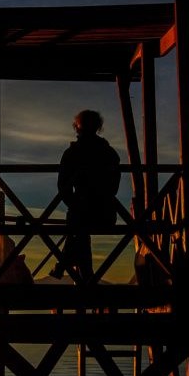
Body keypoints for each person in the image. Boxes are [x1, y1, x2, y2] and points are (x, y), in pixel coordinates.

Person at [50, 109, 121, 282]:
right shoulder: (109, 153)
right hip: (105, 213)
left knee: (77, 226)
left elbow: (63, 187)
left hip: (81, 215)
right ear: (98, 128)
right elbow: (114, 186)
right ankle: (80, 273)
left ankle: (70, 267)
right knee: (79, 230)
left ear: (76, 128)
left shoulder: (73, 153)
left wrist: (75, 203)